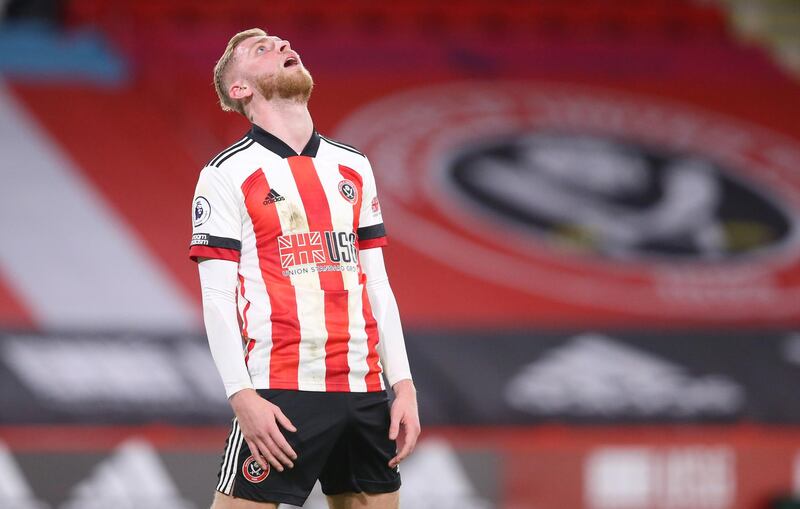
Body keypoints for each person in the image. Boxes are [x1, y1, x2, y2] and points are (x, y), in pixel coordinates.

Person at [189, 28, 420, 509]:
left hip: (364, 386)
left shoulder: (353, 165)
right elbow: (215, 297)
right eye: (261, 50)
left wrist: (403, 385)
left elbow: (377, 282)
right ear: (240, 90)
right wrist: (241, 396)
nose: (281, 45)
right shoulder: (224, 174)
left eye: (279, 42)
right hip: (281, 391)